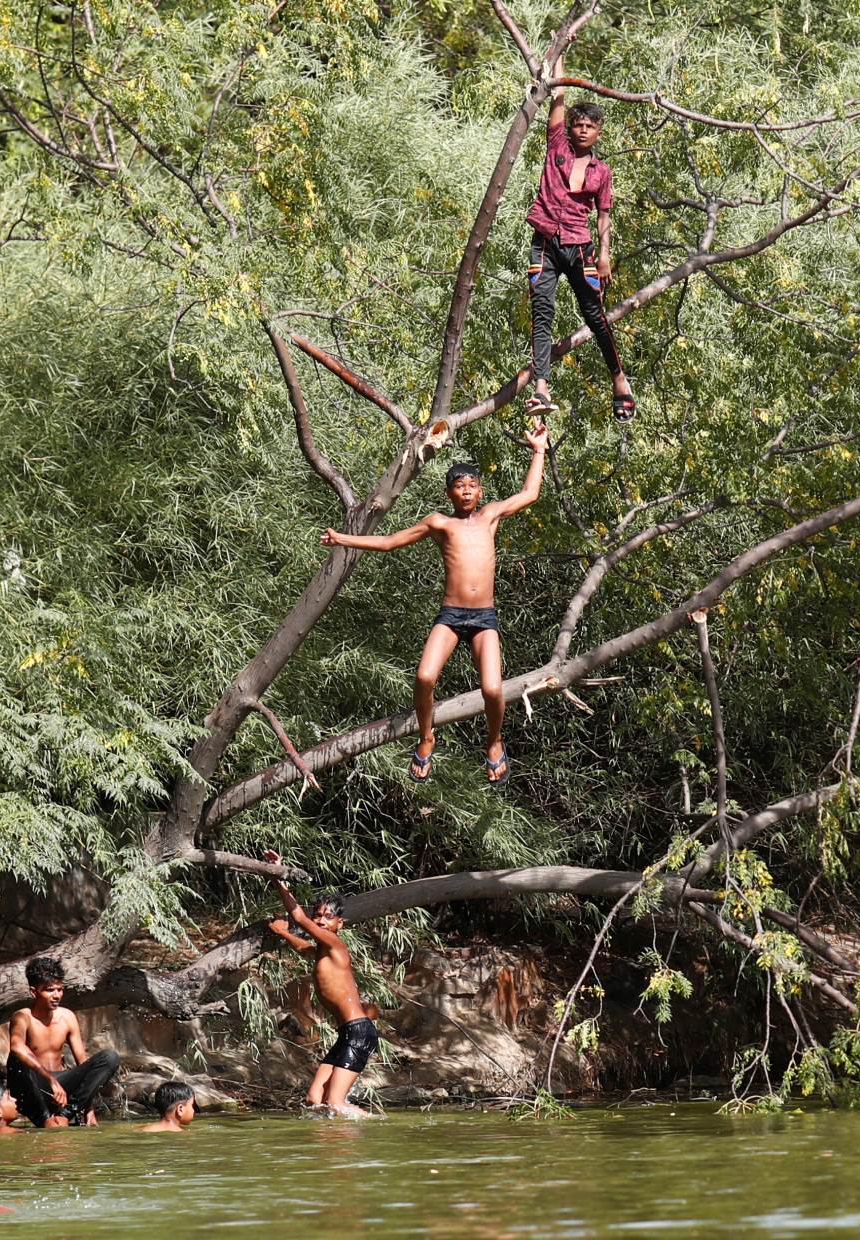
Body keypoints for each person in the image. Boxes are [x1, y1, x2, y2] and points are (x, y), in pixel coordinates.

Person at [319, 419, 550, 787]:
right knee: (424, 677)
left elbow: (530, 494)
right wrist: (343, 538)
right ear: (449, 494)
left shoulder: (490, 516)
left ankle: (494, 742)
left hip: (484, 618)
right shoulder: (439, 523)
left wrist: (538, 450)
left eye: (472, 486)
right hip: (451, 615)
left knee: (492, 688)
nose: (467, 491)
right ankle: (426, 737)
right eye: (459, 486)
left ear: (481, 490)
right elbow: (391, 541)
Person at [524, 53, 634, 421]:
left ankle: (619, 381)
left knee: (595, 315)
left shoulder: (602, 172)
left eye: (590, 126)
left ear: (599, 132)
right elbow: (557, 97)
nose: (583, 130)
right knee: (542, 312)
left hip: (580, 248)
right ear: (570, 127)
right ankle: (541, 387)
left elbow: (604, 215)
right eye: (579, 124)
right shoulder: (556, 145)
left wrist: (604, 256)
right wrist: (560, 55)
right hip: (545, 243)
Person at [263, 849, 381, 1117]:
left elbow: (301, 919)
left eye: (328, 917)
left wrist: (278, 878)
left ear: (341, 924)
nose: (320, 920)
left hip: (360, 1032)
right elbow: (304, 946)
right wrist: (282, 933)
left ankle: (373, 1128)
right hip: (348, 1034)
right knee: (314, 1099)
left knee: (336, 1104)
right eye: (318, 915)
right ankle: (328, 1146)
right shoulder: (322, 951)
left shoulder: (336, 945)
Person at [4, 955, 120, 1127]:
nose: (56, 995)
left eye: (60, 989)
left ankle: (66, 1114)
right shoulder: (22, 1017)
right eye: (49, 990)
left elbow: (83, 1063)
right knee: (16, 1059)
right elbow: (17, 1046)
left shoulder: (67, 1017)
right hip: (33, 1088)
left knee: (110, 1057)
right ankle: (46, 1119)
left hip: (62, 1087)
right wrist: (50, 1080)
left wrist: (89, 1109)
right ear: (33, 992)